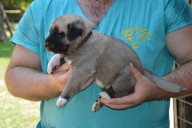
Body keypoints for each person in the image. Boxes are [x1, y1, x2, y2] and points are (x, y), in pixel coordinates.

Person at [4, 0, 192, 128]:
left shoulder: (165, 3)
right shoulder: (43, 6)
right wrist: (56, 84)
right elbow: (15, 75)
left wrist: (155, 90)